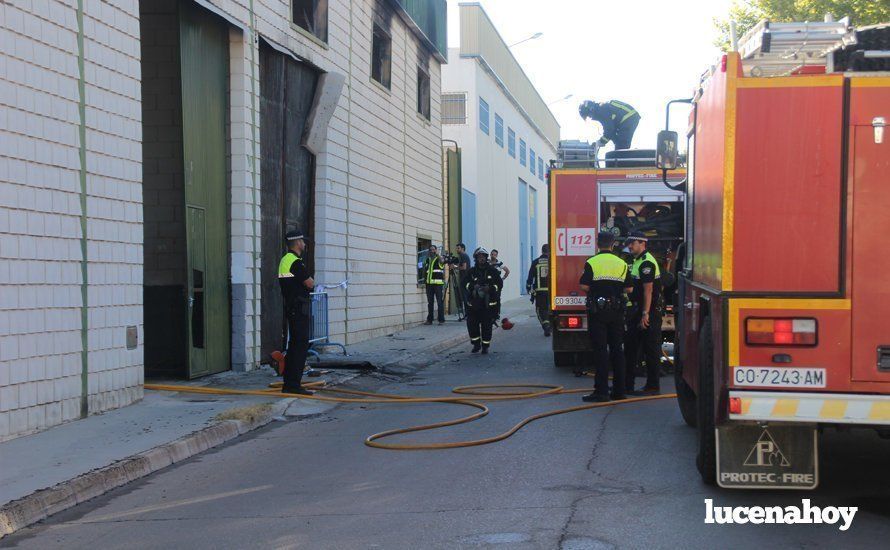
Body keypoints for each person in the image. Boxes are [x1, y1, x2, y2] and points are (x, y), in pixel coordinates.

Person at [578, 233, 629, 402]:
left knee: (600, 351)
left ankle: (601, 392)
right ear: (613, 244)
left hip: (598, 312)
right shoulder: (622, 263)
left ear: (597, 244)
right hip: (617, 312)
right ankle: (619, 391)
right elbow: (629, 289)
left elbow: (584, 285)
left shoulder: (592, 262)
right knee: (617, 350)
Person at [624, 230, 663, 396]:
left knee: (650, 350)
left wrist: (645, 314)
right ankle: (627, 385)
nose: (630, 245)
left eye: (633, 242)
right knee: (631, 349)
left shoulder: (647, 262)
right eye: (629, 242)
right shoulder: (637, 260)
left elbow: (648, 290)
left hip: (648, 312)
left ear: (643, 243)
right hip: (637, 310)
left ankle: (653, 386)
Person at [277, 230, 316, 395]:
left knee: (295, 346)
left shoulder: (286, 260)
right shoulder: (295, 262)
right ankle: (293, 385)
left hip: (294, 308)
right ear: (298, 242)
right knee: (300, 346)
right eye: (303, 241)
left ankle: (290, 383)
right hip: (298, 310)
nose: (305, 244)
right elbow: (310, 284)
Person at [465, 247, 502, 354]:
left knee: (487, 327)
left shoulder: (492, 271)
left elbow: (499, 284)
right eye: (479, 257)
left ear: (486, 258)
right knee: (472, 326)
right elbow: (464, 283)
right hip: (474, 305)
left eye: (483, 257)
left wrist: (490, 288)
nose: (481, 259)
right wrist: (472, 287)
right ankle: (476, 344)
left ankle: (485, 346)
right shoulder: (471, 271)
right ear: (476, 258)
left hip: (488, 305)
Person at [526, 243, 551, 336]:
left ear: (542, 251)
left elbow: (530, 276)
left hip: (540, 291)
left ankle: (546, 325)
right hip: (552, 291)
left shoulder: (535, 262)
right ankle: (550, 324)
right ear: (549, 251)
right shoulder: (552, 261)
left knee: (540, 309)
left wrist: (528, 286)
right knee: (550, 308)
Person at [422, 244, 446, 325]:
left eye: (433, 249)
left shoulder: (439, 258)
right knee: (430, 303)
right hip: (429, 284)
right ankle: (430, 320)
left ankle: (441, 320)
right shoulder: (427, 260)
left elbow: (443, 262)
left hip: (438, 284)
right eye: (430, 250)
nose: (432, 251)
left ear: (436, 250)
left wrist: (438, 254)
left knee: (439, 302)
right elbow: (424, 269)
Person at [489, 249, 510, 323]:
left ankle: (497, 315)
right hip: (489, 284)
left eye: (494, 255)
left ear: (497, 255)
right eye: (492, 254)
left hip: (497, 284)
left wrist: (503, 278)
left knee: (497, 299)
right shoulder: (487, 263)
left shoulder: (499, 263)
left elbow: (507, 271)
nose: (493, 256)